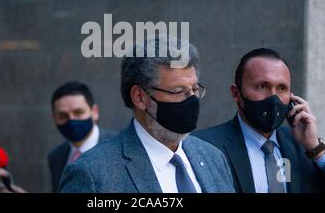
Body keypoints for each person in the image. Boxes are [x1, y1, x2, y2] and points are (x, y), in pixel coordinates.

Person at [58, 37, 235, 193]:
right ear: (140, 97)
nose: (191, 100)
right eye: (178, 91)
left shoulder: (213, 157)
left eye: (195, 89)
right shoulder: (92, 173)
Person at [193, 48, 325, 193]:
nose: (273, 97)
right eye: (262, 86)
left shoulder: (304, 147)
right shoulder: (205, 146)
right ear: (236, 94)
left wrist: (317, 150)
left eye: (282, 88)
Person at [48, 81, 116, 192]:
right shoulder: (56, 156)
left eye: (78, 112)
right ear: (55, 118)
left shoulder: (120, 148)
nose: (71, 120)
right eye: (62, 116)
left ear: (94, 112)